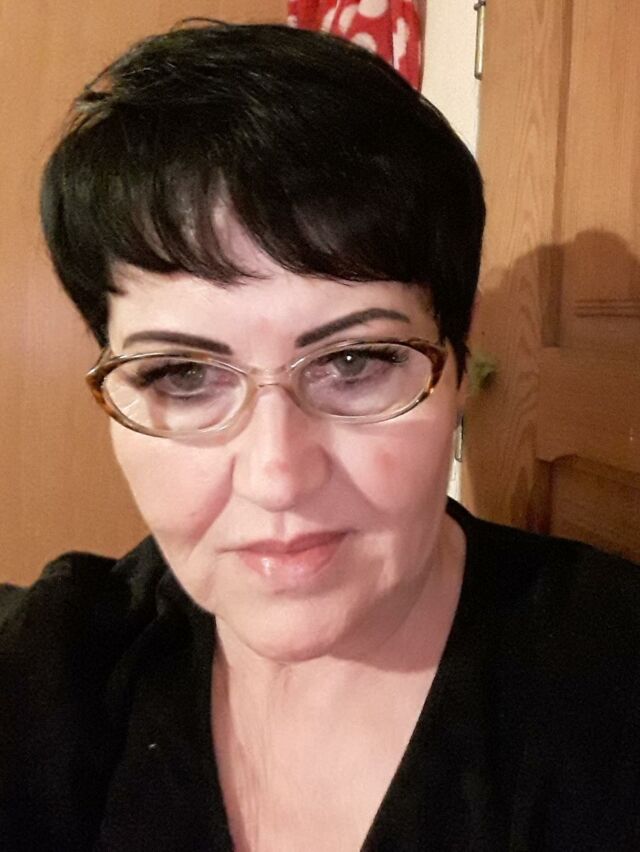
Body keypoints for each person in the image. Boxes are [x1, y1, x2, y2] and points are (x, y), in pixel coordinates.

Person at [1, 20, 638, 852]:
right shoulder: (53, 671)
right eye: (182, 374)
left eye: (354, 360)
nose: (276, 475)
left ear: (458, 364)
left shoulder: (610, 682)